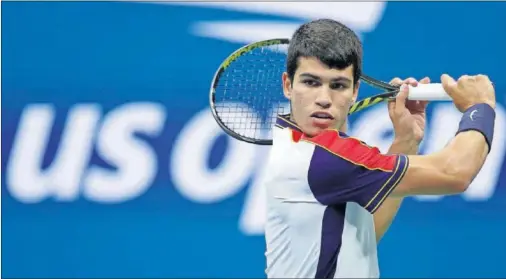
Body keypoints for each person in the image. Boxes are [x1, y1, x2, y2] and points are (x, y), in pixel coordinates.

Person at [263, 18, 496, 278]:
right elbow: (455, 173)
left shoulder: (294, 144)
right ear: (288, 85)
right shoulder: (321, 158)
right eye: (311, 82)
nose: (324, 99)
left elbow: (362, 237)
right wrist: (480, 107)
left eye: (338, 85)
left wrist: (406, 140)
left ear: (354, 91)